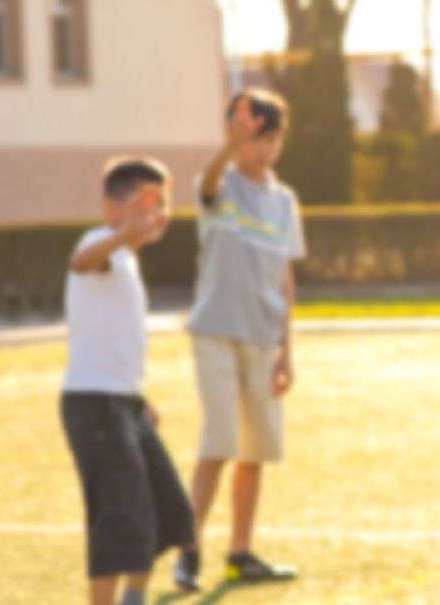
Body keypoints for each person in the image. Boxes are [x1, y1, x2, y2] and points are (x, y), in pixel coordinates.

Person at [174, 88, 305, 588]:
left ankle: (241, 553)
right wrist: (229, 146)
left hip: (263, 340)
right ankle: (189, 551)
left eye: (271, 139)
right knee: (221, 439)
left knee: (255, 452)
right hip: (215, 332)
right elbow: (207, 179)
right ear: (232, 135)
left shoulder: (285, 201)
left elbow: (285, 280)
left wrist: (286, 352)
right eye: (253, 139)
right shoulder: (217, 185)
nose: (262, 149)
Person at [61, 157, 194, 605]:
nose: (156, 213)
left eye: (162, 203)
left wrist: (139, 399)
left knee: (165, 506)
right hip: (95, 405)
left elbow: (111, 339)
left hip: (123, 403)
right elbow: (79, 263)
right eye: (144, 202)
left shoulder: (127, 260)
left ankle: (133, 598)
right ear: (111, 208)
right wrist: (123, 233)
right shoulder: (101, 243)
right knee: (118, 518)